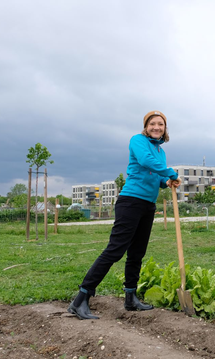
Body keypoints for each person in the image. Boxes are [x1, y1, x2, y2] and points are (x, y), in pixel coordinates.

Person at [68, 110, 181, 320]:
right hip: (130, 202)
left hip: (147, 205)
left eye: (161, 124)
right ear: (146, 126)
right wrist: (170, 173)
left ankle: (130, 297)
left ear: (165, 129)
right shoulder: (137, 141)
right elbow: (146, 162)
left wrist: (165, 181)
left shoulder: (161, 153)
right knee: (115, 250)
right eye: (152, 124)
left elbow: (154, 174)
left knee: (137, 253)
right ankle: (81, 298)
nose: (157, 127)